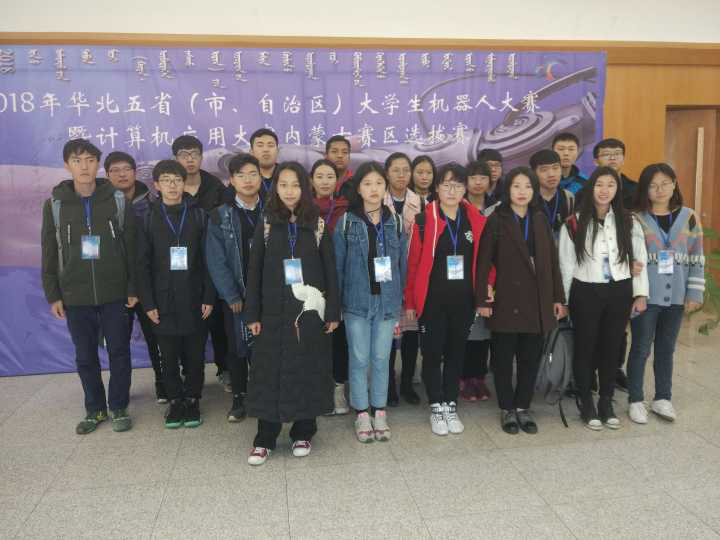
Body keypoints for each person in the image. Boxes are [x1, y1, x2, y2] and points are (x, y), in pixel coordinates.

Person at [244, 162, 340, 465]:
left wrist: (332, 312)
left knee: (307, 369)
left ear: (305, 188)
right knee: (269, 372)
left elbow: (330, 271)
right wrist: (252, 314)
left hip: (307, 313)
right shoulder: (267, 224)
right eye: (283, 184)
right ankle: (265, 439)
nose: (289, 191)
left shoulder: (317, 224)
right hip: (272, 313)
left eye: (295, 185)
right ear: (275, 188)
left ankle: (303, 432)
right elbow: (254, 271)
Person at [41, 139, 137, 434]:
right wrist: (53, 294)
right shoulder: (55, 205)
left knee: (119, 351)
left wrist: (133, 287)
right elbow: (49, 252)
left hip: (115, 292)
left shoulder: (117, 200)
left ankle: (118, 406)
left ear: (98, 165)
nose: (84, 166)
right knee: (85, 356)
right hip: (75, 294)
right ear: (67, 165)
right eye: (77, 160)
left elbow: (133, 249)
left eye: (90, 160)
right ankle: (95, 409)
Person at [476, 167, 566, 434]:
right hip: (505, 299)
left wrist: (558, 298)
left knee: (530, 359)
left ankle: (523, 407)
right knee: (503, 360)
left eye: (527, 186)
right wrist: (482, 300)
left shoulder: (540, 218)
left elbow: (552, 263)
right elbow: (483, 262)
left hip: (536, 300)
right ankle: (507, 408)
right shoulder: (497, 219)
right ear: (507, 189)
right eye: (516, 186)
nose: (522, 192)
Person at [559, 166, 649, 430]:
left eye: (611, 185)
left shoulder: (628, 221)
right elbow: (566, 265)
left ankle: (606, 401)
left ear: (617, 190)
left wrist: (640, 293)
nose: (604, 190)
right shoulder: (573, 223)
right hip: (585, 291)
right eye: (599, 184)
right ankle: (586, 401)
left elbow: (639, 259)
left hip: (619, 290)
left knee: (612, 347)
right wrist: (565, 301)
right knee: (585, 347)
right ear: (591, 188)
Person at [405, 162, 490, 436]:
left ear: (465, 188)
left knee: (456, 353)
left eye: (457, 185)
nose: (452, 191)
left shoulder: (475, 220)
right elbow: (413, 265)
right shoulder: (423, 221)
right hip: (432, 302)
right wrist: (410, 302)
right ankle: (436, 404)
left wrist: (486, 288)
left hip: (463, 302)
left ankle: (451, 403)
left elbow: (487, 260)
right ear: (437, 188)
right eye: (446, 185)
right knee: (432, 354)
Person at [136, 160, 216, 429]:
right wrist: (148, 302)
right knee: (168, 357)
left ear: (185, 183)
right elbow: (141, 265)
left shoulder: (199, 215)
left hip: (195, 297)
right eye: (166, 180)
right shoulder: (147, 218)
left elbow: (209, 260)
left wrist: (208, 297)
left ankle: (192, 399)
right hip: (161, 301)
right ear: (156, 185)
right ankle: (175, 401)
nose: (172, 185)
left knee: (195, 355)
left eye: (177, 180)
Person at [334, 161, 406, 442]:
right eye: (367, 183)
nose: (373, 189)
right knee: (359, 358)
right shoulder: (347, 222)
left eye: (378, 183)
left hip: (387, 303)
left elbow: (401, 266)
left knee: (381, 358)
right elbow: (338, 267)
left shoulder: (395, 221)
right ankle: (362, 412)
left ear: (385, 186)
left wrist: (401, 301)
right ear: (359, 189)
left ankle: (379, 410)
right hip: (356, 303)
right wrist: (337, 305)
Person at [627, 163, 704, 424]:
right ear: (644, 189)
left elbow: (697, 256)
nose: (659, 190)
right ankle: (635, 399)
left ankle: (662, 398)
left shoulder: (689, 217)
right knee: (640, 348)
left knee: (666, 349)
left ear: (674, 184)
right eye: (652, 185)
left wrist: (694, 292)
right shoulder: (635, 218)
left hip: (677, 296)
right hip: (645, 296)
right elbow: (628, 256)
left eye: (665, 183)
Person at [206, 153, 264, 423]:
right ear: (231, 180)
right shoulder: (220, 215)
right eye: (241, 175)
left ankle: (264, 393)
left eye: (253, 174)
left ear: (261, 177)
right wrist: (230, 294)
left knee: (266, 347)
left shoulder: (273, 210)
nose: (248, 180)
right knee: (238, 347)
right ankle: (240, 398)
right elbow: (216, 260)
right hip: (238, 296)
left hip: (268, 295)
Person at [105, 151, 165, 403]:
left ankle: (164, 384)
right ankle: (120, 393)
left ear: (134, 172)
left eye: (126, 169)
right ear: (107, 175)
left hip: (148, 283)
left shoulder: (152, 202)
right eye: (115, 170)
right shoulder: (101, 204)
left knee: (157, 338)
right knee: (118, 342)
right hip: (116, 285)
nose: (122, 174)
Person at [172, 135, 229, 390]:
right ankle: (189, 374)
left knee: (218, 323)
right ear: (175, 159)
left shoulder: (216, 187)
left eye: (194, 153)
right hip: (183, 268)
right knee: (187, 322)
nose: (190, 159)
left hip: (215, 263)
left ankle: (225, 369)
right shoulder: (172, 188)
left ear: (201, 156)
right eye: (184, 155)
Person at [310, 159, 350, 415]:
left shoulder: (346, 210)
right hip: (312, 283)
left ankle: (338, 389)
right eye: (320, 176)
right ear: (311, 180)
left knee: (339, 340)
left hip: (341, 282)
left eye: (330, 176)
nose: (325, 181)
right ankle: (317, 390)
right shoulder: (302, 210)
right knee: (315, 339)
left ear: (337, 181)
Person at [384, 152, 423, 405]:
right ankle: (388, 385)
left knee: (410, 334)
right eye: (396, 170)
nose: (401, 175)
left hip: (412, 275)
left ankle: (407, 383)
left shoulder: (421, 201)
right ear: (386, 172)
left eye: (405, 170)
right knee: (388, 334)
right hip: (386, 275)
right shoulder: (377, 198)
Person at [460, 160, 498, 402]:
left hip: (491, 275)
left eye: (483, 177)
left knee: (484, 330)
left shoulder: (498, 209)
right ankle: (464, 377)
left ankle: (479, 377)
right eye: (473, 177)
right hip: (464, 276)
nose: (477, 182)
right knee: (466, 330)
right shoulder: (458, 207)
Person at [530, 149, 575, 242]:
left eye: (555, 168)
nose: (551, 174)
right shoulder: (528, 198)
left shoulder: (568, 197)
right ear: (534, 173)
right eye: (544, 170)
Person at [593, 138, 637, 209]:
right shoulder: (586, 189)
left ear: (623, 160)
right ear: (596, 162)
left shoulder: (636, 189)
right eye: (606, 154)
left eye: (617, 154)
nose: (612, 158)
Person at [249, 128, 280, 198]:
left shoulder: (287, 174)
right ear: (251, 152)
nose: (265, 150)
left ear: (277, 151)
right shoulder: (243, 177)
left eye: (270, 145)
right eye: (260, 145)